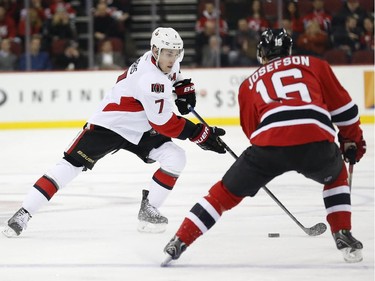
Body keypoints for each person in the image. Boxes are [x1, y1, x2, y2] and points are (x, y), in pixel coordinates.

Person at [163, 28, 367, 265]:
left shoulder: (249, 83)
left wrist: (261, 163)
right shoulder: (315, 64)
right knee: (336, 176)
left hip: (269, 145)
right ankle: (342, 232)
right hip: (315, 140)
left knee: (223, 194)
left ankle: (180, 239)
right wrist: (353, 140)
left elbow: (251, 131)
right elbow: (345, 111)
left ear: (262, 54)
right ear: (289, 51)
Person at [2, 27, 226, 237]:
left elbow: (175, 77)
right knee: (70, 165)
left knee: (175, 157)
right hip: (111, 125)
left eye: (176, 53)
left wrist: (185, 89)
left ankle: (150, 209)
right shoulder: (150, 79)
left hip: (140, 127)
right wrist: (201, 134)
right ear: (155, 51)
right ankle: (24, 213)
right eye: (168, 53)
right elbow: (165, 123)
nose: (173, 58)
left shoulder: (164, 62)